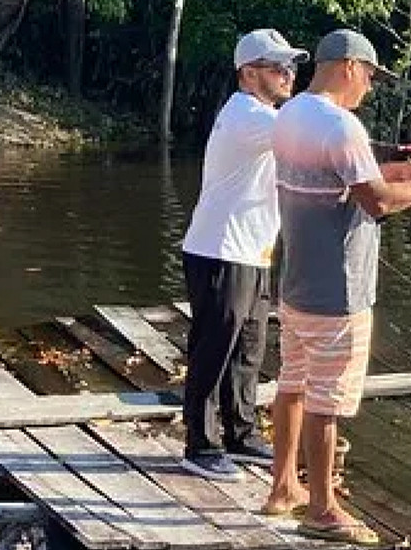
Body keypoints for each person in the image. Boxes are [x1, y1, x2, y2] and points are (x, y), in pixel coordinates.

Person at [262, 29, 411, 544]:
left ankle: (282, 489)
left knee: (292, 383)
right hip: (340, 292)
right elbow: (378, 202)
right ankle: (323, 510)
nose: (370, 87)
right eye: (371, 76)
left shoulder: (291, 114)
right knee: (326, 399)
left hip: (296, 285)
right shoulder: (342, 125)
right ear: (351, 67)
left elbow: (348, 178)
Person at [175, 29, 307, 482]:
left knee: (248, 347)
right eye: (278, 67)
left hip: (253, 251)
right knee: (215, 346)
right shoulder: (248, 115)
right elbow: (318, 138)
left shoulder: (267, 117)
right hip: (219, 250)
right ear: (249, 74)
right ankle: (200, 443)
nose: (289, 74)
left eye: (291, 66)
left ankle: (240, 432)